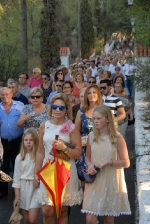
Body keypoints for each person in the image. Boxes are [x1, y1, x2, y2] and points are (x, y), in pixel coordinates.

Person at [34, 93, 83, 224]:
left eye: (61, 108)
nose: (57, 110)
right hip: (48, 169)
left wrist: (64, 148)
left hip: (65, 170)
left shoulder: (71, 128)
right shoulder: (44, 125)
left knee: (62, 211)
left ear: (66, 109)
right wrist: (36, 173)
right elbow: (40, 151)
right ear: (51, 108)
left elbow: (78, 153)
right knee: (47, 211)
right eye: (55, 107)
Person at [81, 105, 131, 224]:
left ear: (107, 119)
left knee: (108, 219)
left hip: (110, 180)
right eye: (94, 119)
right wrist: (89, 165)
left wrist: (109, 161)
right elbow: (87, 157)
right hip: (94, 180)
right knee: (90, 219)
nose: (95, 121)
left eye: (99, 118)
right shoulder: (91, 136)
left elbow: (126, 162)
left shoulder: (117, 138)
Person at [12, 128, 41, 224]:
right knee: (27, 219)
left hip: (36, 188)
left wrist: (39, 181)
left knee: (33, 219)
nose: (28, 142)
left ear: (36, 141)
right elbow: (16, 179)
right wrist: (17, 197)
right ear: (23, 141)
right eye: (26, 140)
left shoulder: (39, 156)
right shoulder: (19, 157)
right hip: (23, 188)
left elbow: (44, 172)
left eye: (31, 140)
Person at [75, 85, 103, 181]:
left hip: (100, 147)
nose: (92, 95)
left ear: (98, 94)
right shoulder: (81, 112)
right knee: (85, 178)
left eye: (94, 92)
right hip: (84, 149)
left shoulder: (105, 111)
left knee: (100, 177)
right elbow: (75, 132)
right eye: (89, 93)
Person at [0, 87, 24, 198]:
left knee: (17, 165)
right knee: (4, 166)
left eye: (6, 94)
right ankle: (3, 191)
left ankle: (17, 192)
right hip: (3, 142)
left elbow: (25, 119)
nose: (4, 97)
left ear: (11, 94)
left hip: (17, 140)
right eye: (2, 95)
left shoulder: (20, 106)